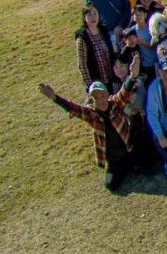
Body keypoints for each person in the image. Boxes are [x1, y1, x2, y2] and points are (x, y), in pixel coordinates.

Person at [37, 58, 142, 191]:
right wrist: (55, 98)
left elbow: (125, 91)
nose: (101, 100)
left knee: (147, 166)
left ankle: (133, 164)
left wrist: (132, 76)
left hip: (129, 150)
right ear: (92, 101)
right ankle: (125, 169)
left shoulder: (115, 103)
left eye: (102, 96)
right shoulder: (91, 115)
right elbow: (73, 108)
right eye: (96, 98)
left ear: (107, 95)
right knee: (110, 185)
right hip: (114, 160)